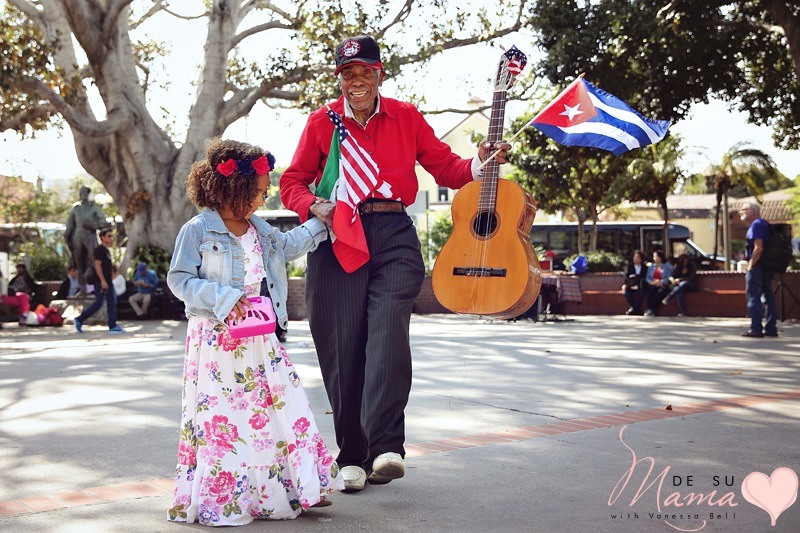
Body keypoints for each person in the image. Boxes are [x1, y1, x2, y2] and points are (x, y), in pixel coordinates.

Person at [279, 34, 512, 492]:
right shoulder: (322, 122)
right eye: (348, 73)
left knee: (386, 333)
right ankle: (352, 456)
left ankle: (386, 447)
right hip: (338, 235)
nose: (357, 80)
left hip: (393, 233)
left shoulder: (405, 116)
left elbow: (447, 168)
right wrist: (314, 205)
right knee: (343, 346)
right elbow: (292, 181)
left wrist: (480, 162)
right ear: (340, 79)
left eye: (365, 71)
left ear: (379, 74)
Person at [166, 138, 342, 526]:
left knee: (279, 409)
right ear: (235, 188)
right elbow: (179, 280)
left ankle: (292, 488)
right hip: (216, 340)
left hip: (259, 337)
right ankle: (229, 497)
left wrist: (322, 220)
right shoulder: (197, 230)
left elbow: (290, 246)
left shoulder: (259, 228)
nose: (264, 199)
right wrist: (223, 297)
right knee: (224, 420)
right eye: (259, 192)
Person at [738, 201, 778, 337]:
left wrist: (751, 265)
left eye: (744, 209)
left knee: (753, 296)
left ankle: (756, 328)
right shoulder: (763, 224)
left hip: (758, 266)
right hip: (767, 265)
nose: (740, 212)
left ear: (753, 211)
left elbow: (758, 247)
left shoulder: (756, 224)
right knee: (768, 296)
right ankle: (771, 328)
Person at [73, 228, 124, 333]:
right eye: (109, 236)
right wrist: (102, 281)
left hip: (108, 281)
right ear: (102, 237)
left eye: (111, 236)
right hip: (101, 282)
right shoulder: (99, 250)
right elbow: (97, 265)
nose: (111, 238)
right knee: (98, 303)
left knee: (112, 302)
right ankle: (79, 319)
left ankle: (112, 325)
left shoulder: (107, 251)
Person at [64, 186, 107, 289]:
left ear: (88, 194)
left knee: (94, 261)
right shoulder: (76, 209)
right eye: (81, 192)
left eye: (85, 192)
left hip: (89, 237)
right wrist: (67, 236)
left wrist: (92, 224)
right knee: (79, 263)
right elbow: (70, 225)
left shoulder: (94, 207)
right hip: (77, 238)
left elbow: (103, 222)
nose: (83, 194)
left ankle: (97, 286)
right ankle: (82, 288)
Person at [644, 250, 673, 317]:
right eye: (653, 256)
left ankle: (651, 309)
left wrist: (661, 282)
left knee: (660, 293)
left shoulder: (667, 266)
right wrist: (651, 282)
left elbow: (669, 277)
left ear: (660, 257)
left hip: (663, 285)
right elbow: (647, 278)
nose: (654, 258)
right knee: (650, 291)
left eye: (655, 256)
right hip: (653, 284)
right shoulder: (651, 266)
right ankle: (650, 309)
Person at [622, 250, 647, 315]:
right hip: (630, 285)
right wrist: (625, 284)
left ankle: (633, 309)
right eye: (635, 257)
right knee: (626, 293)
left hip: (640, 286)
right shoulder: (629, 266)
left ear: (641, 259)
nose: (635, 259)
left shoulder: (644, 267)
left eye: (638, 257)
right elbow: (626, 277)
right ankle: (637, 309)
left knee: (641, 293)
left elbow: (645, 278)